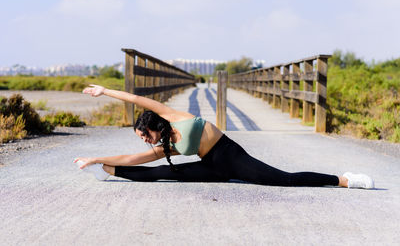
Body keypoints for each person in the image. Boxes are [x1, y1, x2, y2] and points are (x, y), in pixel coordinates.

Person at [74, 84, 374, 189]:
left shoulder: (173, 116)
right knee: (160, 172)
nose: (145, 141)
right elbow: (133, 157)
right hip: (210, 166)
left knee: (286, 179)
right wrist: (98, 159)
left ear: (154, 124)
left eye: (145, 135)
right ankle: (107, 172)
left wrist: (104, 91)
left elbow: (136, 99)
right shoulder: (166, 145)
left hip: (230, 157)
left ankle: (344, 180)